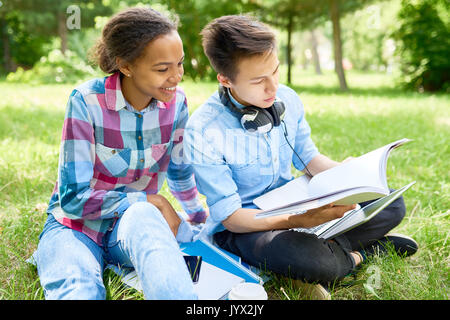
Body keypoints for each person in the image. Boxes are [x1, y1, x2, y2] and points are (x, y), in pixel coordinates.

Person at [183, 15, 418, 299]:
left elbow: (308, 158)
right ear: (225, 79)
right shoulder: (203, 130)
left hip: (295, 202)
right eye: (259, 81)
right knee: (311, 259)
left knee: (390, 203)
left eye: (275, 72)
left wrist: (347, 175)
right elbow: (232, 218)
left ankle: (324, 256)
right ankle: (357, 256)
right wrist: (298, 220)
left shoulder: (287, 99)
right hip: (248, 226)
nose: (272, 88)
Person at [33, 7, 207, 300]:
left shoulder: (176, 104)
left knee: (144, 215)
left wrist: (197, 219)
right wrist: (148, 199)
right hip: (74, 227)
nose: (176, 77)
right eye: (163, 69)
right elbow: (73, 200)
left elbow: (179, 169)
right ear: (125, 66)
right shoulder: (86, 102)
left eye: (180, 64)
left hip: (136, 226)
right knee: (79, 292)